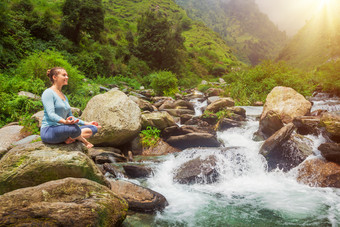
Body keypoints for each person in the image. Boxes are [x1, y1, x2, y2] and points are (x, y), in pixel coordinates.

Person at [40, 67, 100, 148]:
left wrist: (87, 123)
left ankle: (70, 138)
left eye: (67, 75)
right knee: (74, 129)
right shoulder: (48, 93)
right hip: (49, 130)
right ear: (55, 77)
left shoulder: (64, 96)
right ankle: (79, 139)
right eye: (64, 75)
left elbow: (71, 117)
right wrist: (65, 122)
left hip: (63, 129)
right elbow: (51, 114)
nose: (67, 77)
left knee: (94, 128)